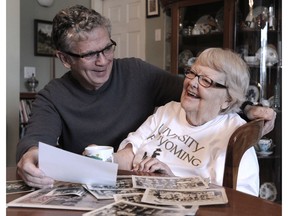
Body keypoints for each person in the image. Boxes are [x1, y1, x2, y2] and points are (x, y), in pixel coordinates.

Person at [16, 5, 276, 189]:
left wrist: (248, 107)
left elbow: (205, 93)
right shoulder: (52, 96)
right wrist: (31, 156)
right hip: (95, 189)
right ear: (64, 59)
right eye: (90, 54)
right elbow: (36, 140)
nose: (103, 61)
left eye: (107, 48)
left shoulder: (137, 72)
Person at [114, 48, 260, 196]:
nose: (192, 83)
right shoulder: (168, 111)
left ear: (227, 99)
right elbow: (129, 154)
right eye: (192, 73)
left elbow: (242, 201)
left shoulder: (235, 133)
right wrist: (98, 159)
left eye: (205, 80)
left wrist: (173, 183)